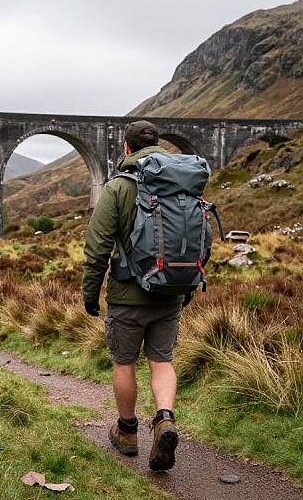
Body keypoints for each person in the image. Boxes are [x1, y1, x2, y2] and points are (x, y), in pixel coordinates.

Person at [82, 120, 182, 471]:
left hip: (127, 294)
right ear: (157, 145)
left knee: (125, 362)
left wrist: (90, 294)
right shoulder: (179, 181)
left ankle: (127, 432)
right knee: (162, 359)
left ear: (126, 149)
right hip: (170, 292)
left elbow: (97, 248)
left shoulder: (118, 187)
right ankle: (165, 418)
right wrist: (185, 289)